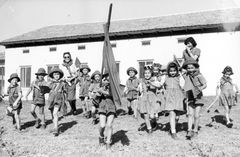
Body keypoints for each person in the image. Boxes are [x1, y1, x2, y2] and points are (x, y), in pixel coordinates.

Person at [182, 59, 207, 140]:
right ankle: (189, 130)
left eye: (192, 68)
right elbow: (182, 73)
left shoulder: (199, 75)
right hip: (190, 96)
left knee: (196, 115)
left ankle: (195, 130)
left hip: (198, 97)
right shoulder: (187, 76)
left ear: (196, 68)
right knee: (190, 114)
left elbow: (205, 84)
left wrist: (200, 88)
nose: (190, 70)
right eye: (188, 68)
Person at [163, 62, 185, 139]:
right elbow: (159, 84)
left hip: (178, 97)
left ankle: (172, 128)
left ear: (177, 71)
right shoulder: (165, 77)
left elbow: (183, 86)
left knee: (177, 117)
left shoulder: (180, 77)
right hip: (169, 97)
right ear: (168, 71)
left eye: (174, 71)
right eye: (171, 71)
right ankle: (173, 132)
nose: (172, 72)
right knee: (172, 114)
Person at [138, 65, 161, 134]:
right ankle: (149, 129)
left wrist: (151, 83)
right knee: (145, 115)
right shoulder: (142, 81)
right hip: (144, 99)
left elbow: (159, 86)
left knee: (152, 116)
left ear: (151, 74)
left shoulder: (154, 79)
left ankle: (154, 121)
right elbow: (140, 90)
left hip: (152, 99)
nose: (147, 75)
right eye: (145, 73)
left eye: (148, 73)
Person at [97, 73, 116, 150]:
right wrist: (98, 93)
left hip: (111, 107)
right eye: (105, 79)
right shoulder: (99, 87)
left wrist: (103, 91)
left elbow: (112, 94)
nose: (107, 80)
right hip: (102, 107)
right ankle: (101, 136)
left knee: (109, 125)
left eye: (108, 79)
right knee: (102, 125)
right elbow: (95, 100)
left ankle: (108, 142)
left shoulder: (114, 87)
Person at [47, 67, 66, 136]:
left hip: (58, 100)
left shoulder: (62, 83)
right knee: (52, 114)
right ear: (53, 75)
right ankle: (55, 126)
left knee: (55, 113)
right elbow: (47, 89)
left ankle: (56, 129)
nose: (56, 76)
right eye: (55, 74)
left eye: (58, 74)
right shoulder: (50, 83)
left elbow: (66, 90)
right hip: (51, 100)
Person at [60, 52, 78, 116]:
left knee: (71, 98)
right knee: (66, 98)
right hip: (64, 82)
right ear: (63, 58)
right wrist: (63, 79)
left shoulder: (73, 65)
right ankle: (65, 111)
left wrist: (71, 78)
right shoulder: (61, 66)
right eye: (65, 57)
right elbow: (60, 74)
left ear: (70, 57)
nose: (67, 58)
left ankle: (74, 109)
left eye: (68, 57)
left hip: (72, 81)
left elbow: (77, 74)